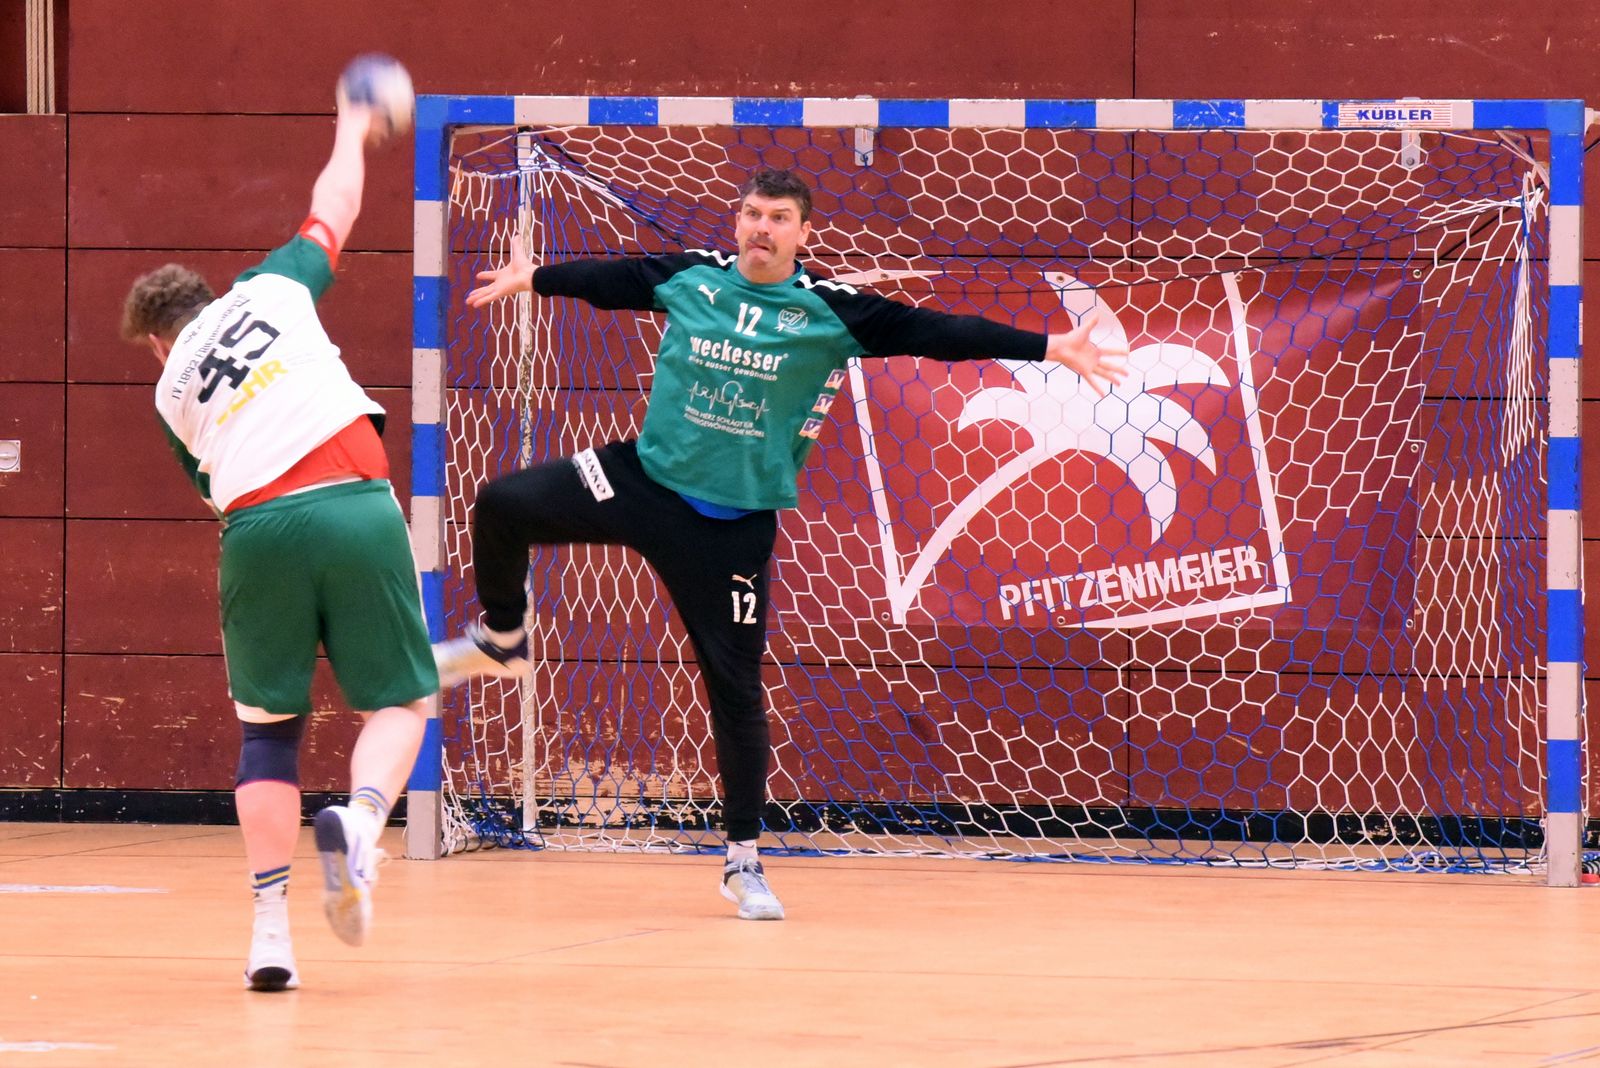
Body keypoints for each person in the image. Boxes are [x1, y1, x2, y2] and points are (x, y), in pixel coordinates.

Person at [434, 168, 1128, 921]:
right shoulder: (693, 278)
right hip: (642, 482)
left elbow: (938, 333)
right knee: (502, 504)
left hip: (729, 528)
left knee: (735, 691)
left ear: (802, 234)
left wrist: (1050, 347)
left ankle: (743, 862)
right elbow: (615, 280)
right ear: (739, 223)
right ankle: (504, 638)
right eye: (752, 213)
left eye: (779, 218)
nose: (761, 227)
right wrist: (535, 277)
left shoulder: (830, 311)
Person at [119, 99, 436, 989]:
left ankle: (269, 935)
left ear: (158, 342)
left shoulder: (168, 396)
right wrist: (350, 126)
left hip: (257, 528)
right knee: (401, 703)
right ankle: (362, 822)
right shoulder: (271, 287)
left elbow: (215, 492)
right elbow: (335, 203)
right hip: (356, 501)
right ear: (210, 297)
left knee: (269, 736)